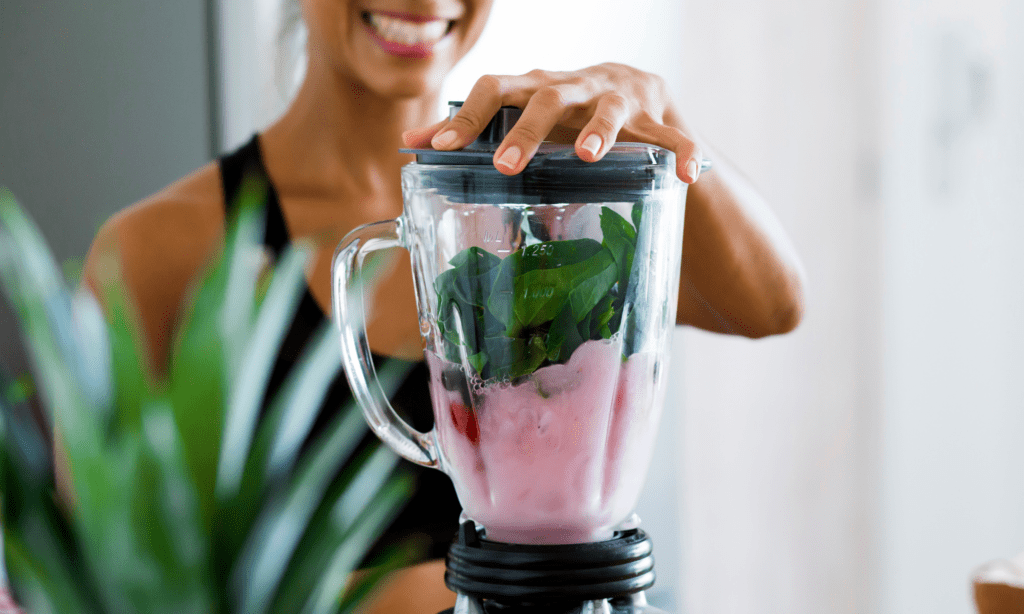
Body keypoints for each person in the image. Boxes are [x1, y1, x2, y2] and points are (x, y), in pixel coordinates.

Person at [79, 0, 807, 611]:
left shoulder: (553, 206)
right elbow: (112, 585)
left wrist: (659, 113)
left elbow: (772, 305)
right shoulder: (159, 250)